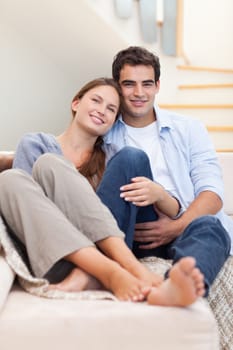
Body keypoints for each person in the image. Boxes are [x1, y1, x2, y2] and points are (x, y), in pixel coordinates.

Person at [0, 77, 205, 306]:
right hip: (56, 251)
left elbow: (121, 211)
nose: (102, 111)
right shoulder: (35, 144)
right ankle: (113, 271)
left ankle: (120, 270)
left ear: (113, 122)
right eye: (96, 101)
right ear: (75, 103)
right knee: (13, 178)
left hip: (106, 246)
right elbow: (26, 207)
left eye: (111, 109)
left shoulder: (113, 157)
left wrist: (161, 195)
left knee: (53, 163)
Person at [101, 46, 232, 298]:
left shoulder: (189, 129)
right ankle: (109, 266)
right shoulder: (105, 132)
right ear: (117, 87)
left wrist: (177, 226)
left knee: (211, 225)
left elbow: (212, 194)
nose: (139, 93)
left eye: (147, 84)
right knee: (131, 158)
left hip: (185, 226)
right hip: (133, 231)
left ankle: (178, 290)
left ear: (158, 85)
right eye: (129, 84)